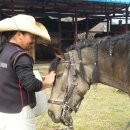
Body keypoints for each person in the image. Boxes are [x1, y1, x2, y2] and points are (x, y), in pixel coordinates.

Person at [0, 14, 56, 130]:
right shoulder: (21, 57)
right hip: (20, 117)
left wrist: (41, 79)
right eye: (32, 36)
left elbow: (11, 77)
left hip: (3, 112)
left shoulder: (3, 51)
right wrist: (48, 82)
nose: (34, 41)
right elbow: (31, 84)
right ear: (19, 34)